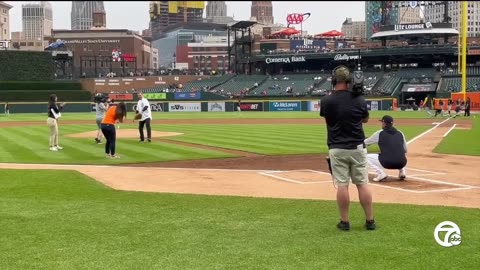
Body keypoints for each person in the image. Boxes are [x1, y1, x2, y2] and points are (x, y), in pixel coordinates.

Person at [320, 65, 375, 231]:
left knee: (342, 185)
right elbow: (365, 120)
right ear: (350, 81)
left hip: (337, 147)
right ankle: (370, 221)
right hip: (357, 146)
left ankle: (344, 222)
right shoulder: (359, 99)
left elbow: (328, 121)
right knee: (363, 183)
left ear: (334, 80)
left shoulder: (326, 100)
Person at [365, 115, 407, 182]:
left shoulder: (379, 133)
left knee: (365, 156)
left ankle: (380, 173)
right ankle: (402, 171)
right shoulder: (400, 133)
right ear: (392, 123)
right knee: (400, 152)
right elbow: (405, 149)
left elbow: (365, 142)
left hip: (387, 163)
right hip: (402, 163)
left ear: (384, 123)